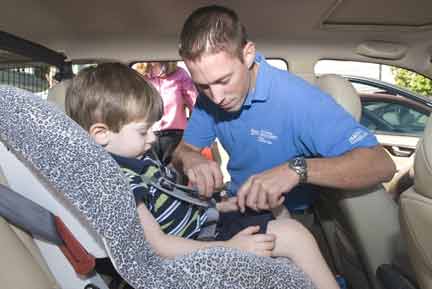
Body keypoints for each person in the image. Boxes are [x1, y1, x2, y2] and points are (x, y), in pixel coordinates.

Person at [65, 62, 339, 289]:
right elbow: (158, 245)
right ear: (100, 134)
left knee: (280, 213)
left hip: (203, 225)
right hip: (196, 246)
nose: (153, 137)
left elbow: (173, 204)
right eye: (143, 131)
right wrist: (229, 249)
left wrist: (224, 205)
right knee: (293, 235)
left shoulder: (138, 159)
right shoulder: (119, 181)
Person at [173, 5, 396, 214]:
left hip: (291, 217)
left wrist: (295, 170)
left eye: (224, 80)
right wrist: (192, 159)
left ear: (248, 54)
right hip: (235, 207)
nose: (217, 97)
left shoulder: (300, 100)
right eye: (203, 85)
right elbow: (182, 151)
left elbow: (381, 164)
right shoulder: (208, 98)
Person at [143, 61, 198, 165]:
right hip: (149, 134)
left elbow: (194, 103)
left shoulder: (180, 74)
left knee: (176, 175)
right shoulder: (143, 76)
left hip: (175, 135)